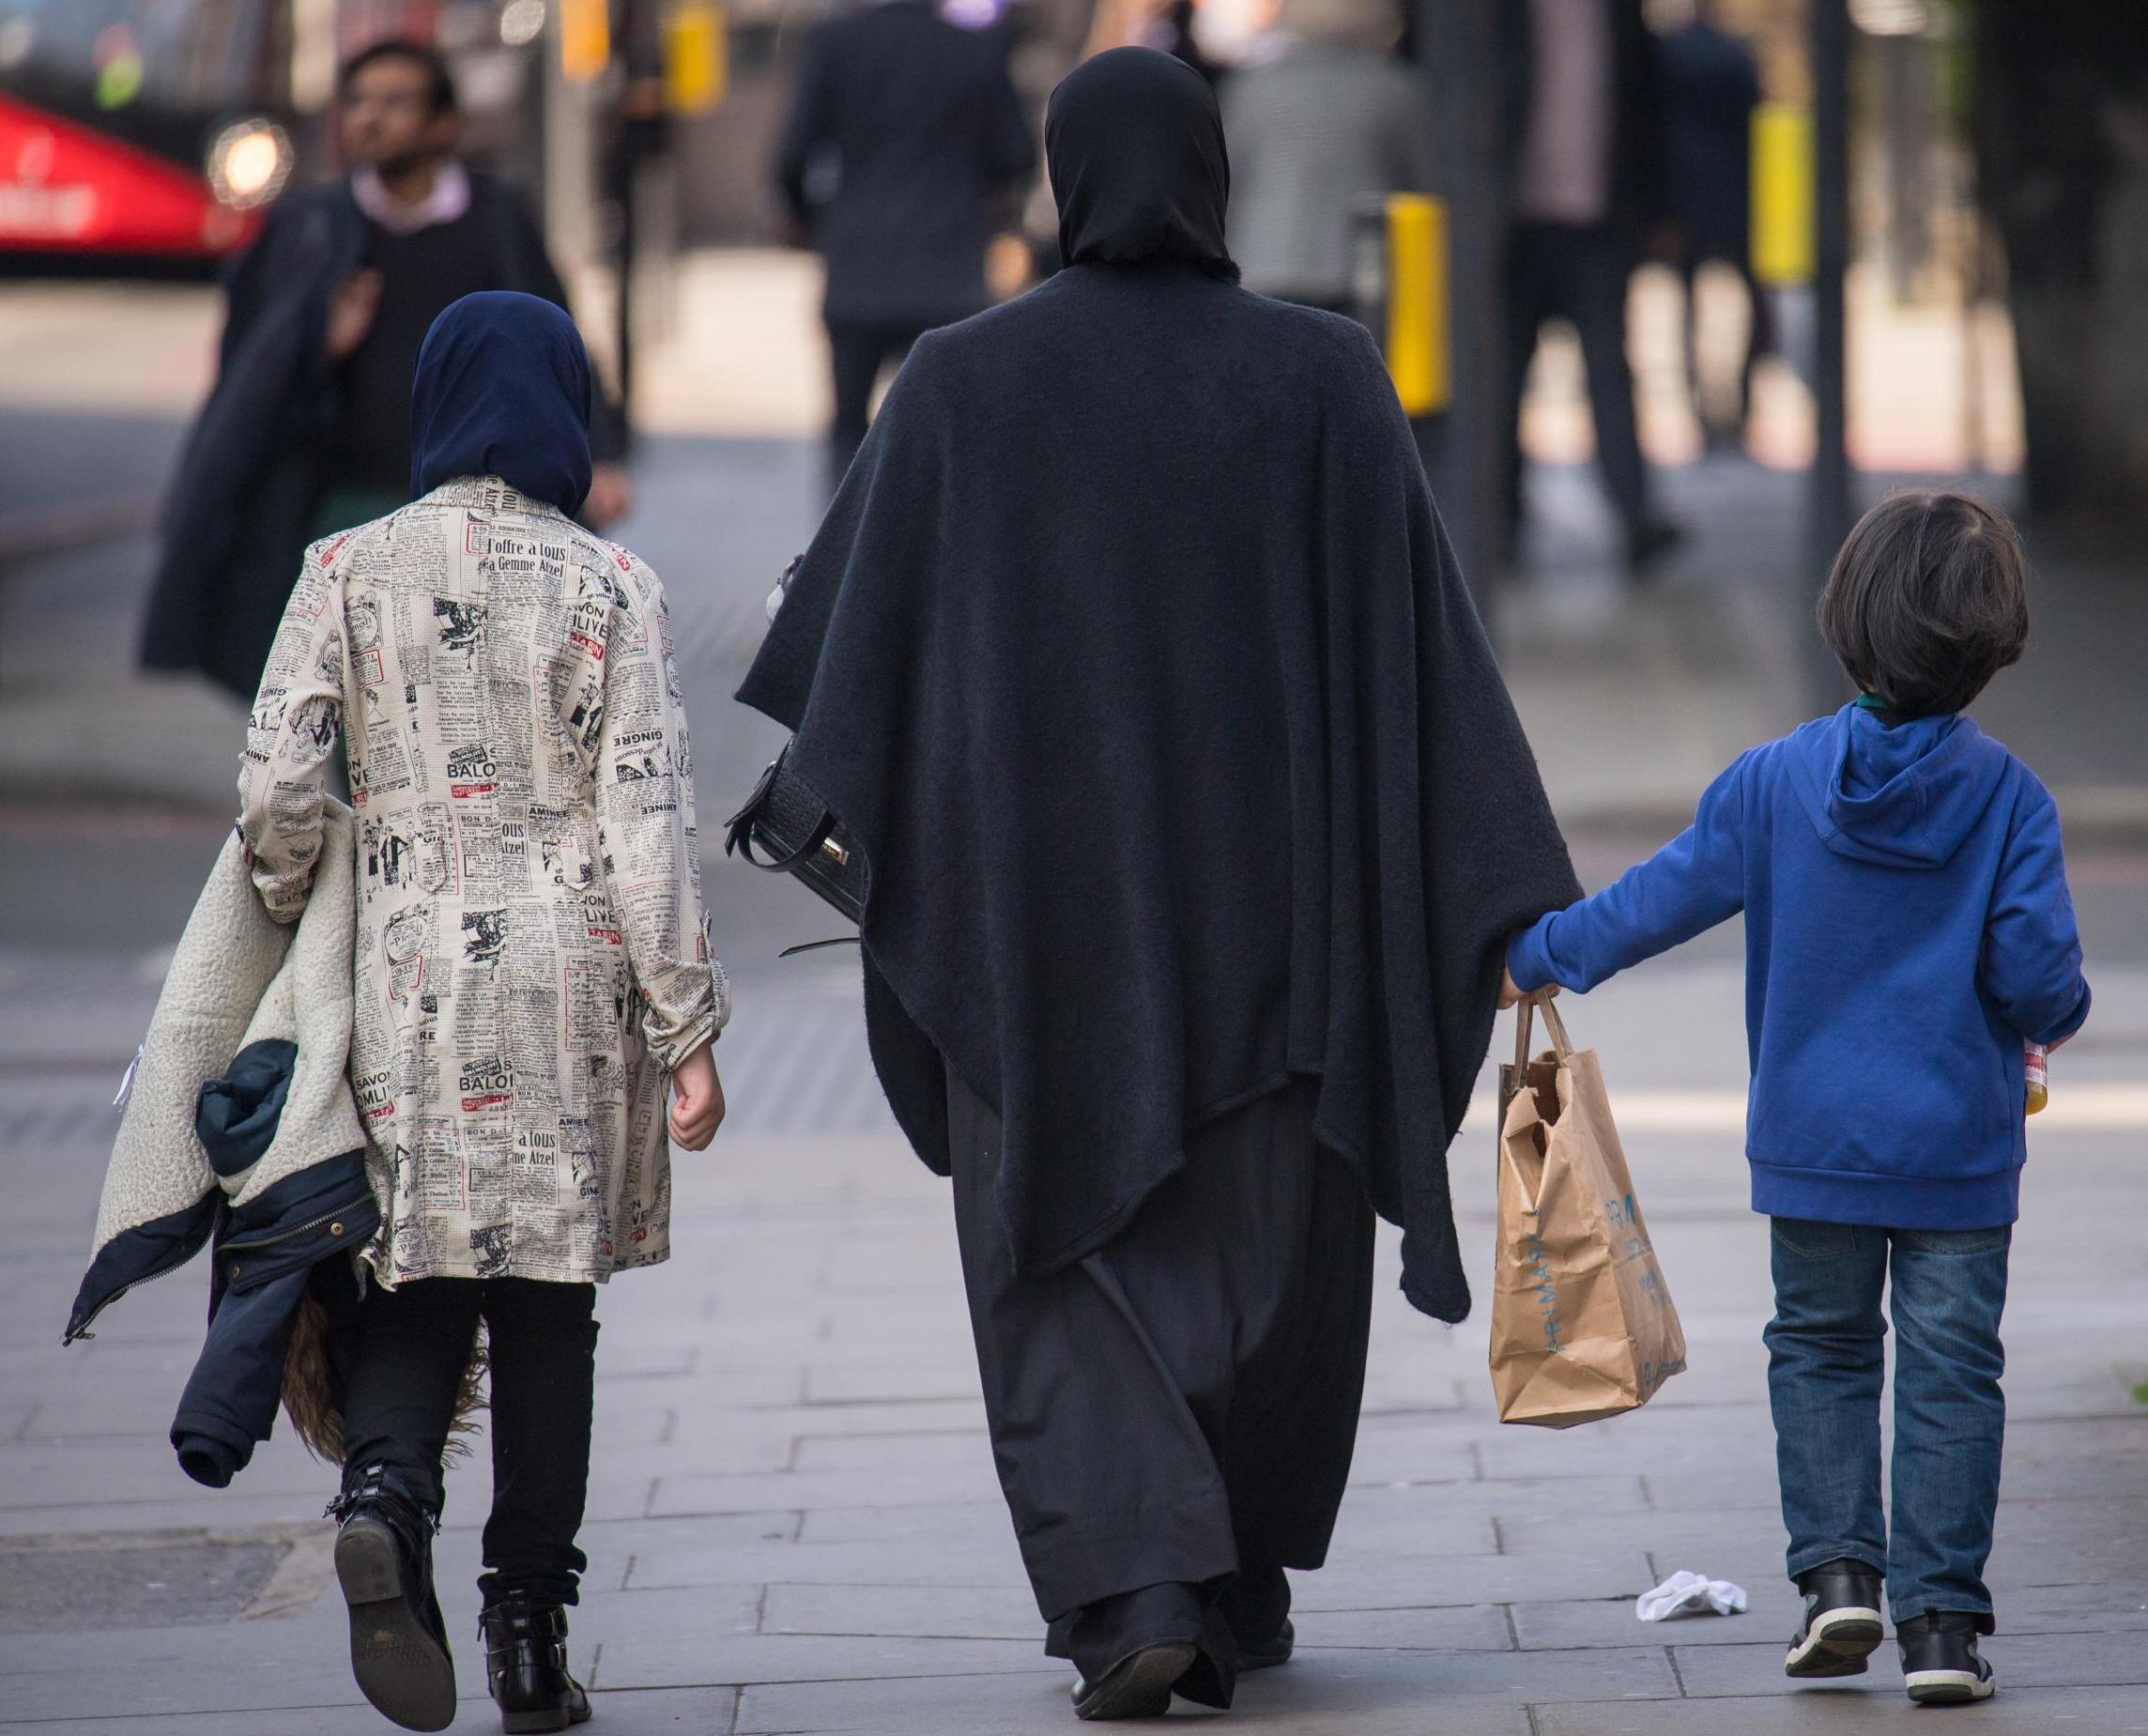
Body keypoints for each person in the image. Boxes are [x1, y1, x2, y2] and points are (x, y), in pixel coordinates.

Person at [738, 48, 1578, 1722]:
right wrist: (1499, 894)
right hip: (1286, 940)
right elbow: (1433, 671)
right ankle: (1224, 1567)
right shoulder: (1324, 375)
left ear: (1062, 175)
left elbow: (855, 671)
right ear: (1208, 166)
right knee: (1267, 1269)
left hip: (1038, 940)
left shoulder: (966, 384)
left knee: (1065, 1248)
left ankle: (1141, 1583)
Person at [1501, 492, 2091, 1707]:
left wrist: (1538, 950)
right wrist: (2046, 1010)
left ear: (1844, 622)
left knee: (1820, 1349)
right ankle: (1941, 1628)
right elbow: (2041, 982)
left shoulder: (1774, 783)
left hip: (1814, 1146)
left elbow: (1652, 902)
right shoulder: (2010, 800)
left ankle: (1837, 1585)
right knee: (1950, 1371)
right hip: (1958, 1157)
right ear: (1996, 643)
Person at [238, 292, 729, 1735]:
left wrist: (297, 888)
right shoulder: (612, 587)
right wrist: (687, 1029)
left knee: (418, 1271)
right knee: (546, 1311)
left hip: (402, 981)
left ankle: (387, 1495)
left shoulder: (345, 567)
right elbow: (648, 825)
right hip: (568, 992)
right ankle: (529, 1632)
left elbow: (274, 784)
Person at [143, 38, 632, 699]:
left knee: (469, 708)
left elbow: (558, 341)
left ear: (442, 125)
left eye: (394, 103)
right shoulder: (312, 227)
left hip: (479, 519)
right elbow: (248, 380)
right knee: (351, 708)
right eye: (359, 103)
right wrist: (322, 342)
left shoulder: (493, 220)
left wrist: (599, 454)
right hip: (349, 506)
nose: (370, 119)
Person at [775, 0, 1036, 493]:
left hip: (858, 269)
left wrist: (819, 224)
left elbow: (791, 159)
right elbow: (1015, 155)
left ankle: (846, 559)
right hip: (948, 274)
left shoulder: (834, 44)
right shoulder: (974, 50)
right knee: (949, 439)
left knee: (848, 435)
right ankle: (940, 562)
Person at [1496, 0, 1682, 570]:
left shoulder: (1620, 13)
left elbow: (1648, 106)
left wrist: (1657, 211)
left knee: (1609, 371)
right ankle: (1500, 524)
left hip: (1599, 220)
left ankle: (1634, 516)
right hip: (1515, 224)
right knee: (1502, 377)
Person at [1221, 0, 1435, 316]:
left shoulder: (1248, 88)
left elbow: (1225, 183)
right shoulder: (1395, 88)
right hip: (1359, 269)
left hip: (1262, 263)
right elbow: (1422, 184)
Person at [1661, 2, 1772, 451]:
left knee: (1689, 313)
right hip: (1735, 198)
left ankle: (1702, 412)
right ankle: (1739, 408)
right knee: (1749, 309)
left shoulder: (1670, 54)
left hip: (1686, 200)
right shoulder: (1734, 56)